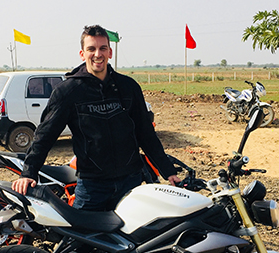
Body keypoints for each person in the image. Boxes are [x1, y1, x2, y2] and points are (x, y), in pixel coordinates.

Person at [12, 25, 180, 210]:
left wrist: (168, 171)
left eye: (103, 48)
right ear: (82, 54)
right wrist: (29, 172)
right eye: (91, 49)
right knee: (83, 237)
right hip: (93, 186)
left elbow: (145, 133)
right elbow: (45, 136)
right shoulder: (68, 92)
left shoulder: (128, 87)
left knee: (133, 237)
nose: (97, 54)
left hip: (130, 182)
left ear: (110, 52)